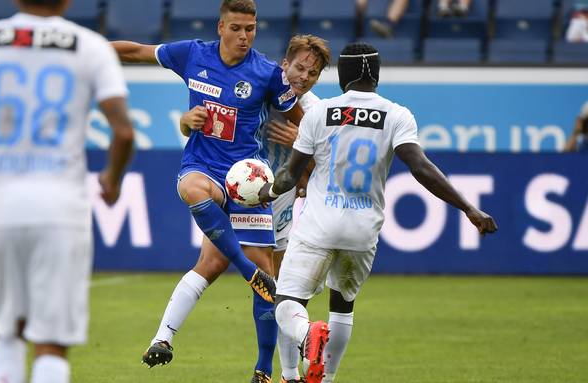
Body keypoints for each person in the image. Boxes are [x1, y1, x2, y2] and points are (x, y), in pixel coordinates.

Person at [259, 42, 498, 383]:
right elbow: (421, 168)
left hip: (319, 225)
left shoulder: (320, 112)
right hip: (362, 232)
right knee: (342, 306)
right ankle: (325, 379)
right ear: (378, 74)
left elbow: (289, 176)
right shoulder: (397, 115)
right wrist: (468, 207)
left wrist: (265, 193)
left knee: (287, 300)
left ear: (342, 74)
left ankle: (299, 352)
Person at [0, 0, 135, 382]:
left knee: (6, 332)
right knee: (51, 342)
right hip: (60, 210)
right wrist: (112, 179)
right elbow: (123, 132)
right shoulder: (90, 46)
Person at [110, 1, 304, 381]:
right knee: (193, 189)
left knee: (228, 267)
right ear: (220, 27)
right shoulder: (192, 54)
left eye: (250, 28)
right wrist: (87, 51)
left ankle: (262, 370)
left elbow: (304, 122)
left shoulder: (267, 74)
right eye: (236, 28)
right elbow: (135, 52)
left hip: (247, 179)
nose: (244, 36)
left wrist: (303, 142)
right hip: (204, 167)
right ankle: (245, 270)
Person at [180, 34, 331, 383]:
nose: (304, 77)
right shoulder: (260, 91)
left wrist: (302, 148)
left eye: (312, 73)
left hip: (285, 208)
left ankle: (293, 362)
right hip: (246, 201)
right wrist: (188, 121)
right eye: (300, 67)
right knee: (257, 283)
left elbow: (325, 172)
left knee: (282, 291)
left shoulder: (314, 113)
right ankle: (287, 365)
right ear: (285, 65)